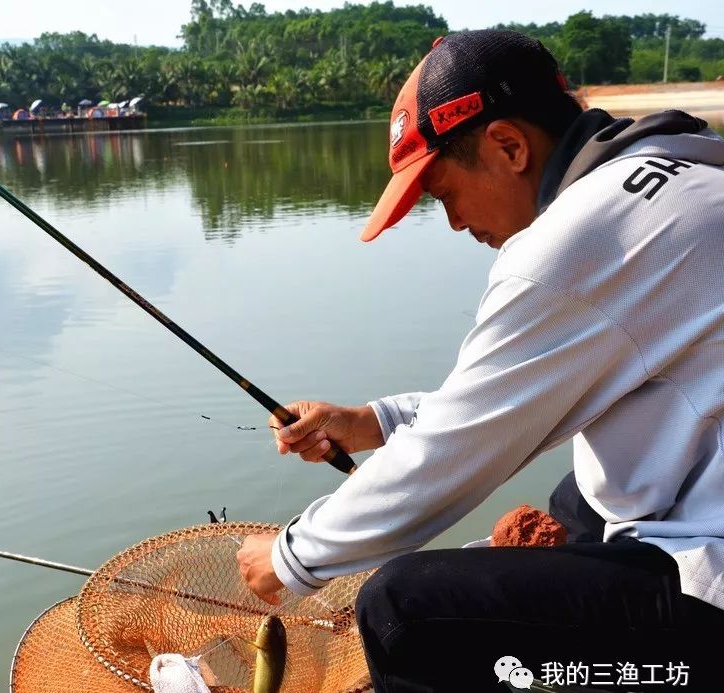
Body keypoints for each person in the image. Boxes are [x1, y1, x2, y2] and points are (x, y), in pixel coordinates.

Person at [235, 29, 724, 692]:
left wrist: (291, 556)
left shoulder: (572, 247)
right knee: (575, 496)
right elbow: (502, 402)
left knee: (402, 608)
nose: (456, 224)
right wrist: (371, 420)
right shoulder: (684, 168)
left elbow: (454, 457)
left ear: (509, 145)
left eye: (442, 194)